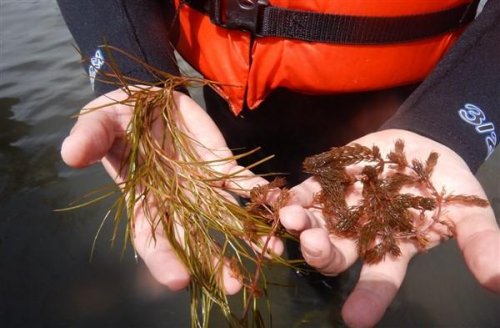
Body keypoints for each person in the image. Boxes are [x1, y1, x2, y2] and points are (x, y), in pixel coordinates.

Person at [57, 1, 500, 327]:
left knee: (385, 235)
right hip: (238, 96)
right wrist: (134, 77)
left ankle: (354, 293)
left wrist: (449, 122)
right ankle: (312, 297)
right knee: (279, 221)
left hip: (403, 101)